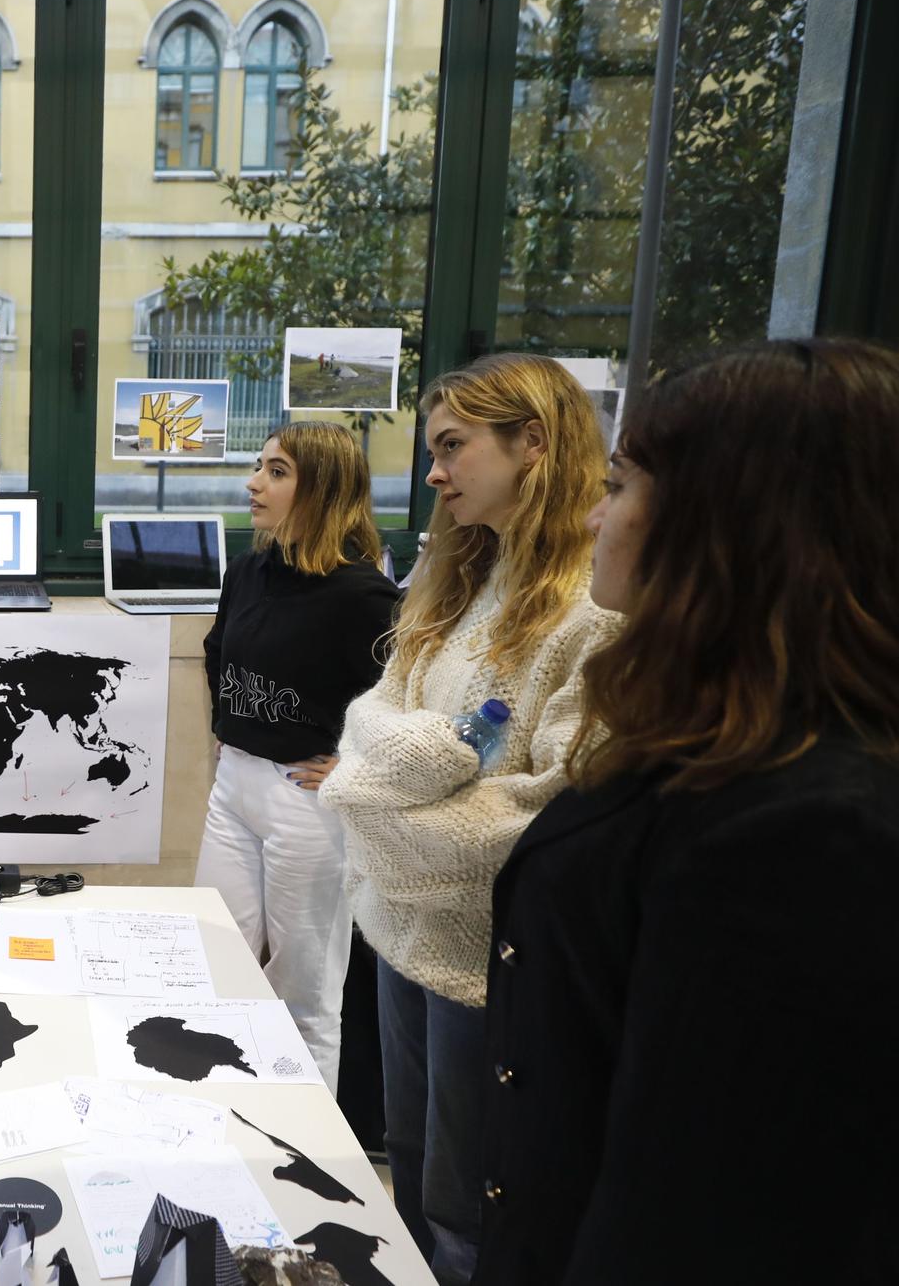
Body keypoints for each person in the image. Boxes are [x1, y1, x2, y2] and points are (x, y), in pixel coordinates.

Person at [474, 340, 899, 1284]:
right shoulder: (713, 726)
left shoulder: (826, 833)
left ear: (737, 526)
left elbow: (709, 1221)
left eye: (619, 485)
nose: (593, 515)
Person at [320, 353, 619, 1286]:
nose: (435, 473)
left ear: (533, 442)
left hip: (488, 956)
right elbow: (368, 713)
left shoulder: (593, 612)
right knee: (407, 1158)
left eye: (453, 448)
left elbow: (532, 818)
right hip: (403, 926)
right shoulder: (458, 582)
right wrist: (429, 762)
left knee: (466, 1204)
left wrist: (373, 799)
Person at [196, 422, 400, 1088]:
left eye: (277, 471)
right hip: (234, 786)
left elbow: (406, 697)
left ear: (322, 490)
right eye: (260, 467)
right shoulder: (249, 570)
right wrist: (229, 721)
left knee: (302, 994)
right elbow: (216, 649)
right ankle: (225, 1107)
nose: (255, 482)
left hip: (307, 799)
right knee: (214, 960)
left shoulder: (363, 595)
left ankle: (310, 1161)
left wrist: (358, 766)